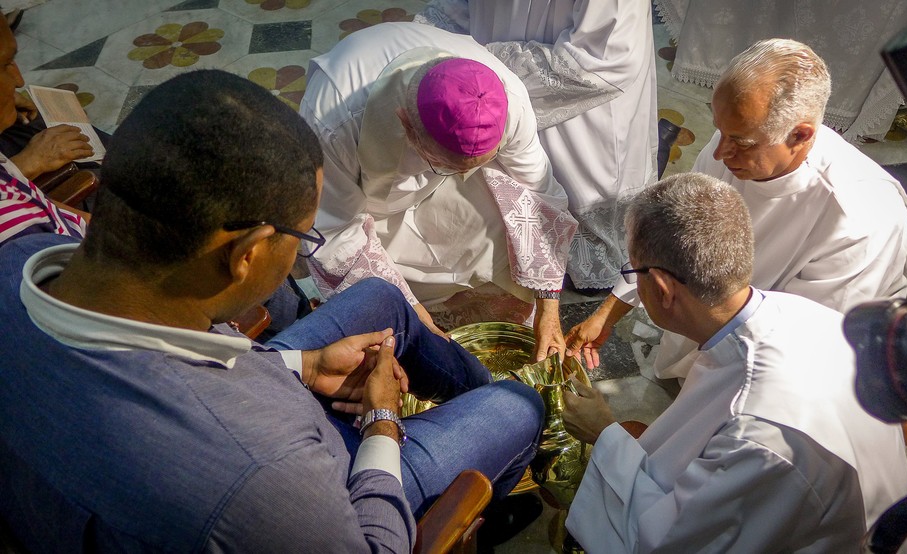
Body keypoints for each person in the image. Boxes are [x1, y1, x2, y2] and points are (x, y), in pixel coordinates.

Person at [0, 70, 544, 552]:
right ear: (248, 254)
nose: (302, 250)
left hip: (222, 404)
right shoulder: (257, 476)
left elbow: (170, 361)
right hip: (327, 483)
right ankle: (483, 506)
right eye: (302, 235)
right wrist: (382, 421)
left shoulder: (18, 258)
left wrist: (302, 366)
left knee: (381, 297)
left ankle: (467, 389)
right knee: (517, 407)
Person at [562, 172, 907, 552]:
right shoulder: (811, 316)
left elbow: (668, 540)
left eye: (632, 272)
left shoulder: (757, 435)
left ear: (662, 289)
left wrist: (604, 433)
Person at [567, 38, 907, 379]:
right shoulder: (733, 152)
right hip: (719, 326)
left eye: (742, 142)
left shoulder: (863, 221)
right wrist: (609, 312)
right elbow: (673, 238)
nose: (719, 153)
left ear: (801, 135)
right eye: (720, 131)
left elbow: (807, 344)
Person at [299, 22, 578, 361]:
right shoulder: (332, 118)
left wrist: (549, 307)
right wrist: (413, 316)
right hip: (365, 201)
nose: (462, 173)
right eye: (444, 164)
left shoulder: (507, 97)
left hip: (444, 184)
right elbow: (335, 231)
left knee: (504, 202)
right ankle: (417, 300)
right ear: (405, 124)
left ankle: (453, 288)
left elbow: (539, 197)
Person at [415, 0, 660, 290]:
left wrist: (479, 66)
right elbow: (454, 12)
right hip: (485, 94)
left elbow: (603, 59)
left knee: (583, 240)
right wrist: (433, 50)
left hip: (581, 117)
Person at [0, 15, 86, 243]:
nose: (19, 81)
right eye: (5, 65)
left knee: (37, 121)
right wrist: (28, 163)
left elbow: (44, 205)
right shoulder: (21, 235)